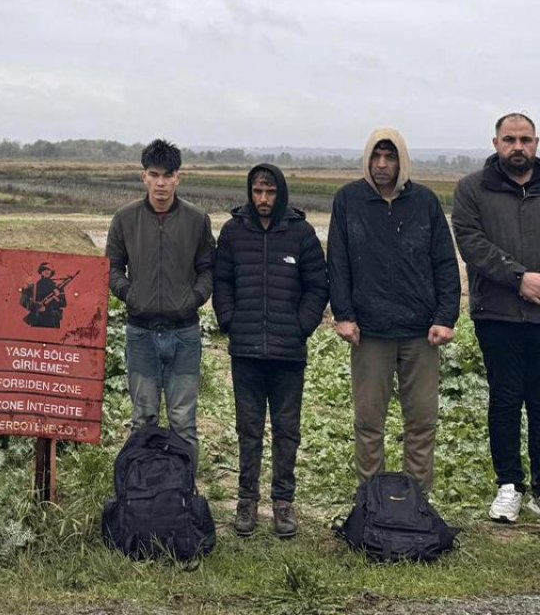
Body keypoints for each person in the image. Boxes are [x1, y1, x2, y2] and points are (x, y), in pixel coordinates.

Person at [328, 129, 460, 493]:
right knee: (369, 422)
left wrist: (445, 317)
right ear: (367, 159)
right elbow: (337, 264)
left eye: (390, 157)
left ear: (402, 161)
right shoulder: (348, 201)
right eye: (376, 156)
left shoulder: (425, 203)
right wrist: (344, 314)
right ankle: (370, 501)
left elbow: (445, 263)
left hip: (421, 332)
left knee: (421, 422)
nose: (382, 164)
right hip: (370, 332)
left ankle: (416, 502)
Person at [213, 164, 329, 538]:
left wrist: (300, 327)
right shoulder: (233, 232)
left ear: (281, 194)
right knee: (248, 430)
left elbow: (317, 287)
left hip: (287, 353)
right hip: (245, 350)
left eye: (270, 192)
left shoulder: (301, 233)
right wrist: (229, 319)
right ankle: (246, 501)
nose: (263, 200)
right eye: (258, 192)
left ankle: (283, 503)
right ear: (250, 192)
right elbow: (222, 280)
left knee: (286, 430)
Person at [452, 112, 540, 522]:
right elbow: (472, 243)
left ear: (536, 143)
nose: (517, 147)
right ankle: (509, 486)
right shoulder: (472, 189)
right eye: (510, 139)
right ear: (495, 143)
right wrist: (519, 278)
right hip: (497, 313)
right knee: (505, 398)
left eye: (525, 139)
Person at [105, 139, 215, 460]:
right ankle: (142, 494)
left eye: (168, 175)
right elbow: (111, 268)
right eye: (154, 175)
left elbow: (208, 269)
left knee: (184, 422)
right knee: (143, 420)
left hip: (184, 334)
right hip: (140, 333)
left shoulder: (197, 220)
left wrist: (191, 299)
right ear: (144, 177)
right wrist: (131, 294)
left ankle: (184, 495)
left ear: (178, 178)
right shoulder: (125, 219)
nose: (161, 183)